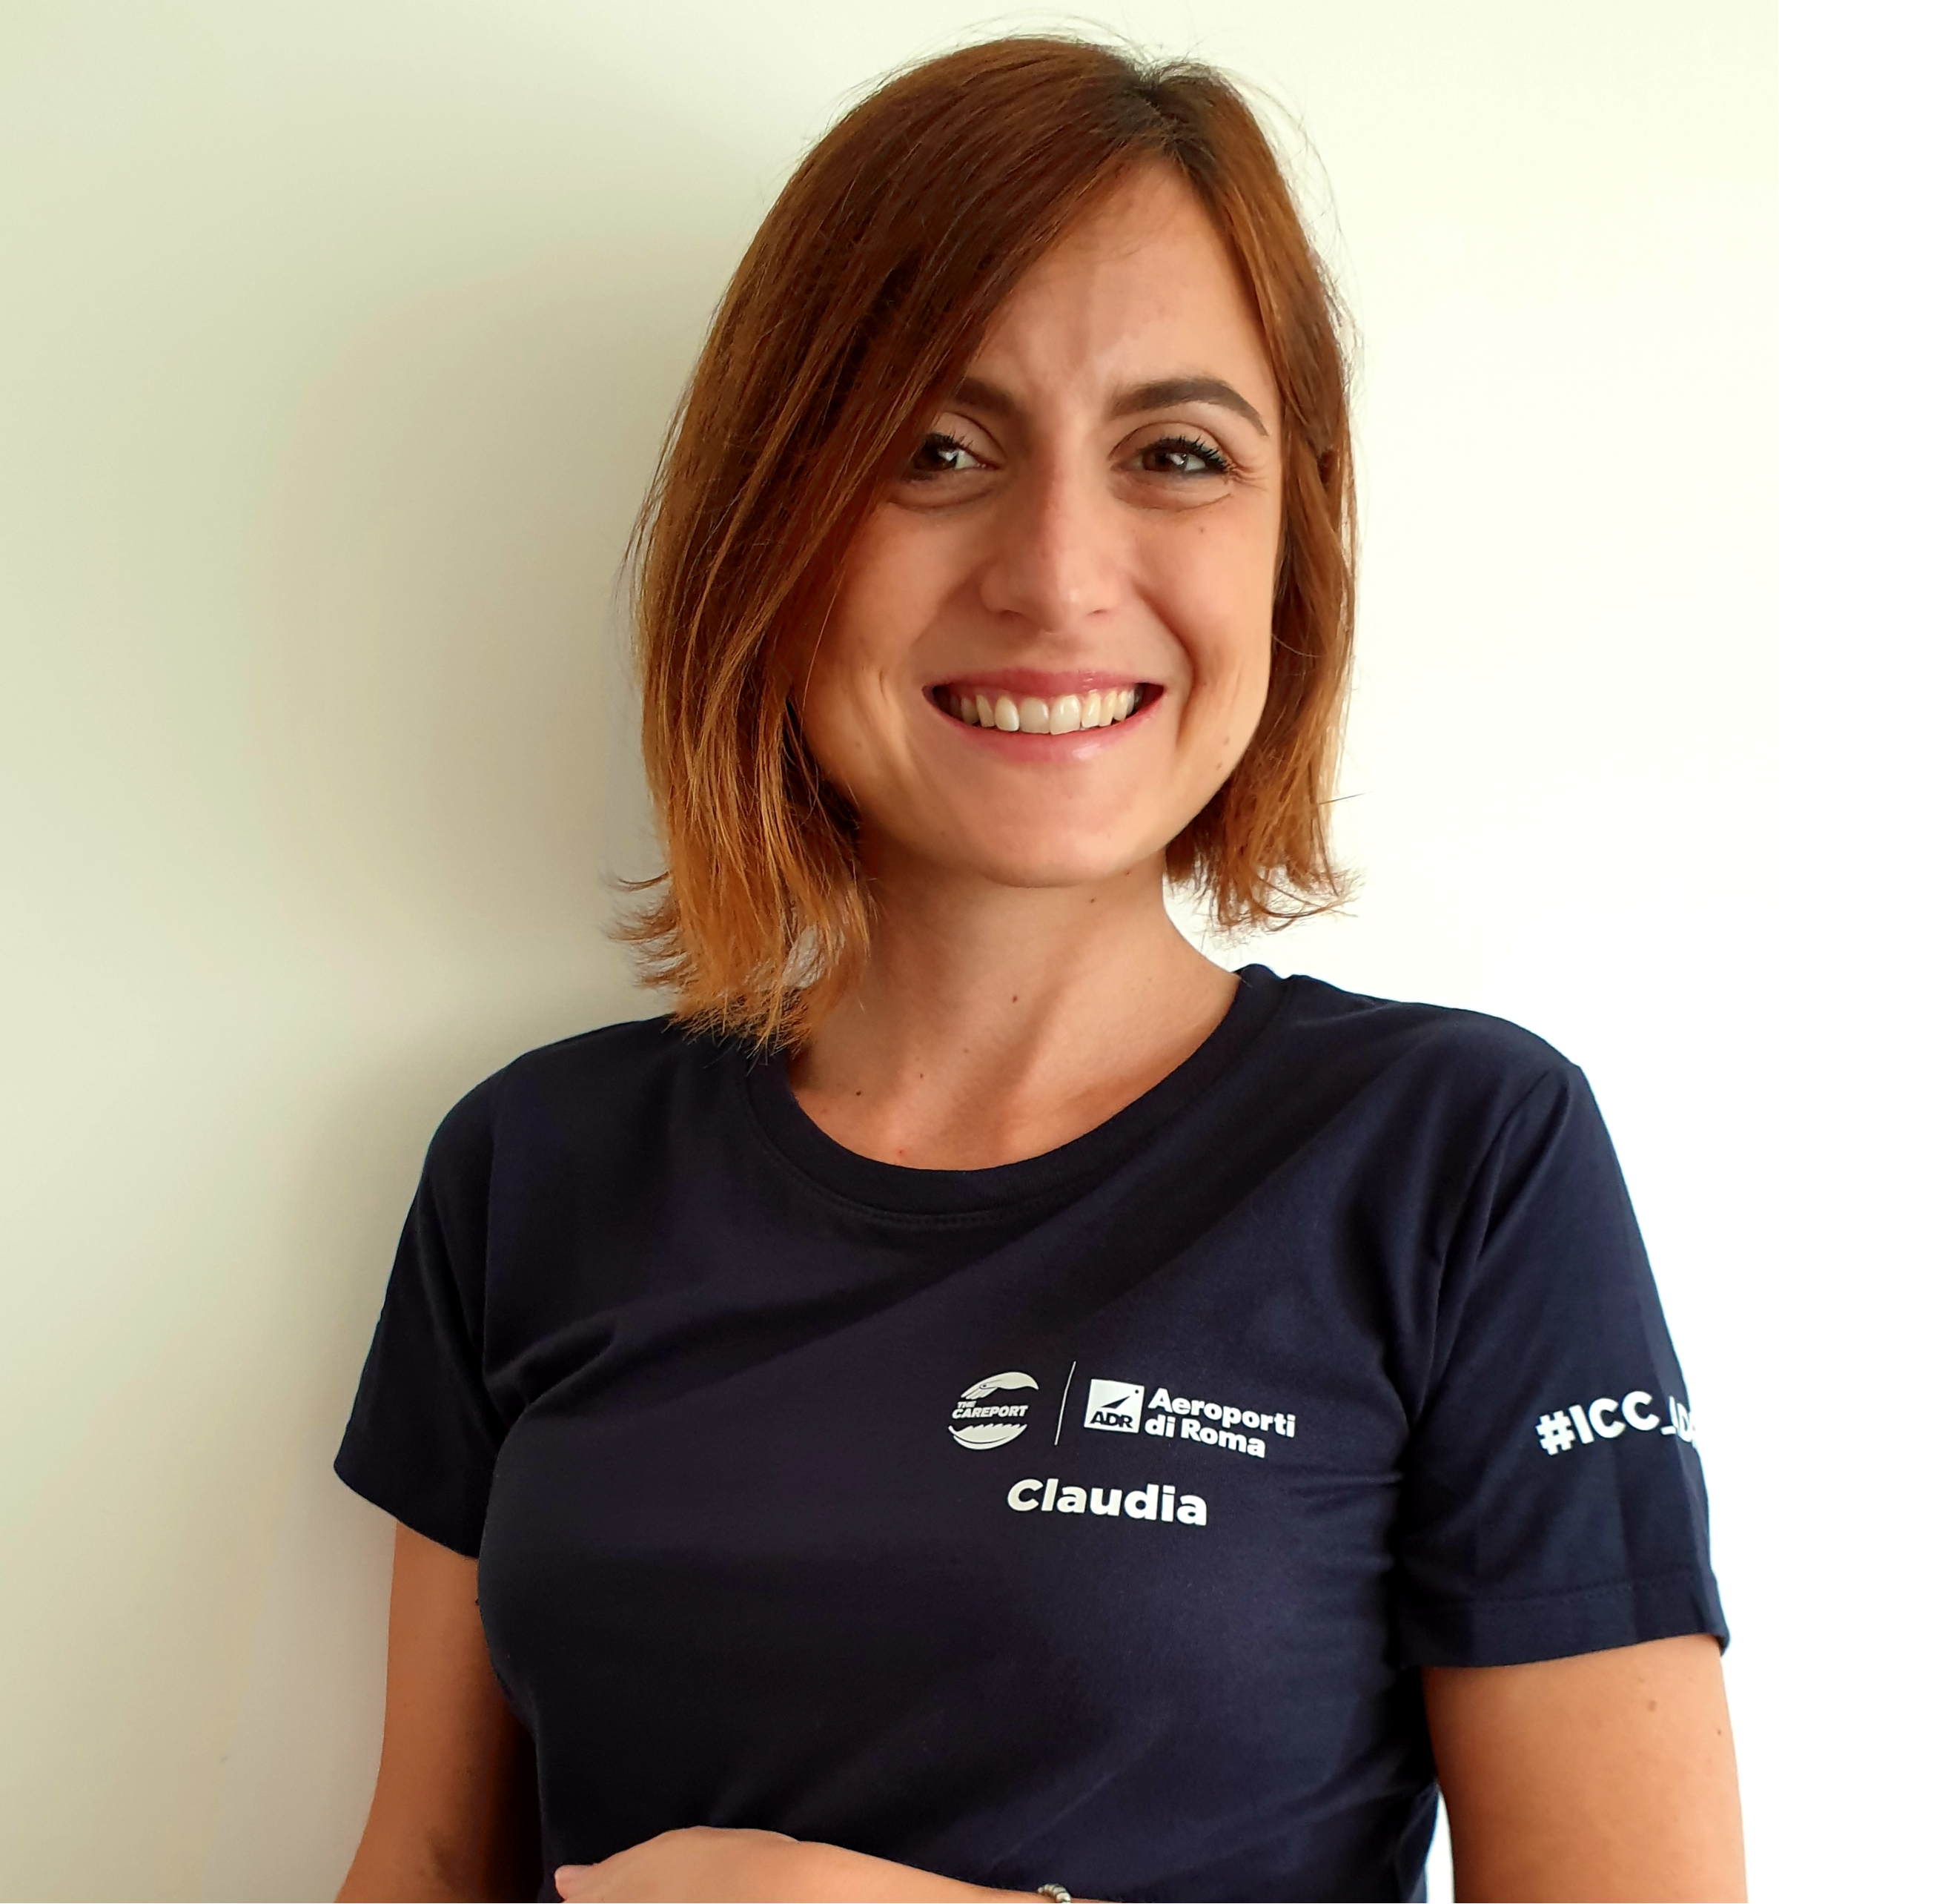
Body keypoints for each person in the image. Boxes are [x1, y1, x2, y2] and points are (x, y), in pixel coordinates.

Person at [333, 36, 1743, 1904]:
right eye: (934, 450)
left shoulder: (1457, 1160)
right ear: (771, 529)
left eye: (1175, 455)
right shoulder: (532, 1166)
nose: (1058, 575)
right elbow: (428, 1859)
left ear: (1288, 548)